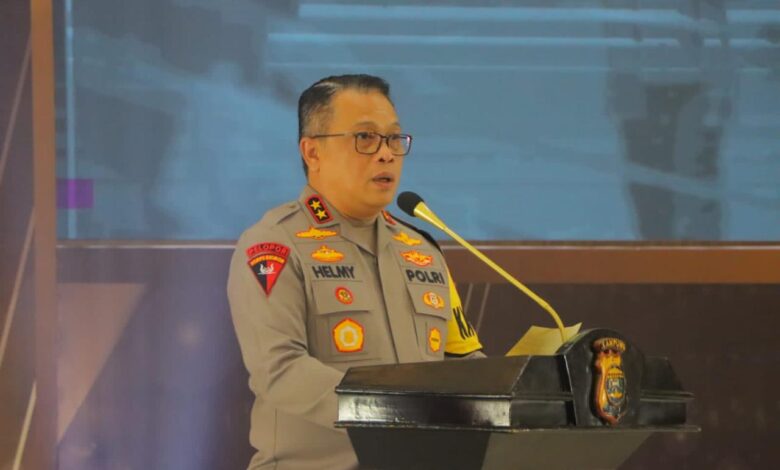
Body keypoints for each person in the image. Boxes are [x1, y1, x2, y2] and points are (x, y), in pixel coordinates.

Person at [227, 74, 484, 470]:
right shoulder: (273, 245)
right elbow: (278, 369)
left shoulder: (422, 250)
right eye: (365, 138)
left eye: (394, 139)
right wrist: (390, 411)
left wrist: (522, 393)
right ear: (312, 151)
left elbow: (463, 362)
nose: (386, 154)